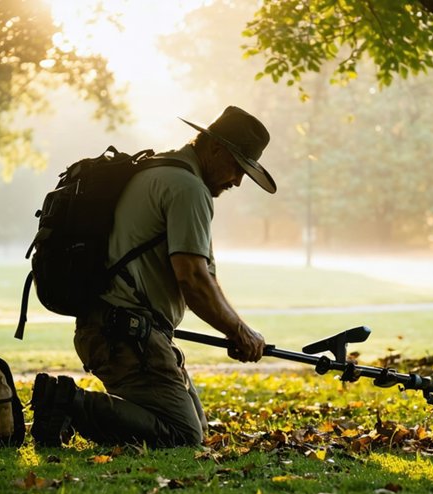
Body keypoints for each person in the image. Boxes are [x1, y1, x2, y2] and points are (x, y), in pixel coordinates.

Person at [30, 106, 275, 448]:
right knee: (182, 435)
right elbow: (192, 279)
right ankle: (67, 402)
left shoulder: (160, 170)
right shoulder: (188, 188)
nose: (236, 180)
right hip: (126, 335)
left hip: (119, 329)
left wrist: (234, 328)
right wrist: (239, 330)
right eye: (237, 167)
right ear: (215, 149)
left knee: (195, 426)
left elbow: (200, 274)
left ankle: (75, 407)